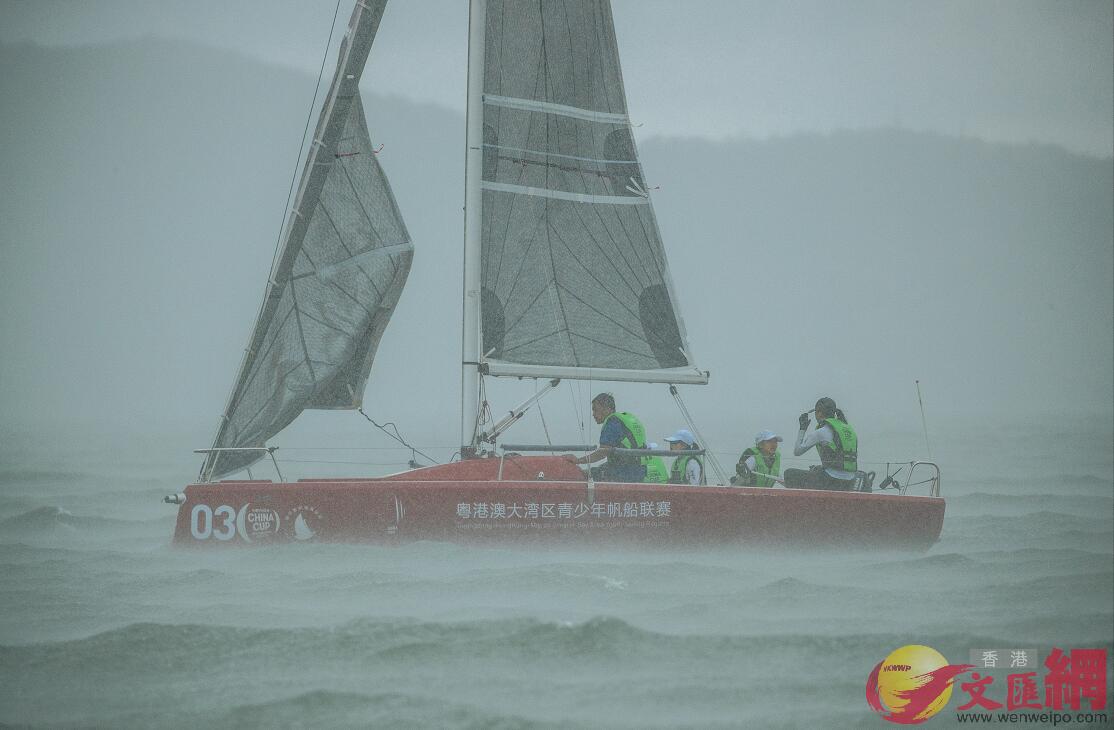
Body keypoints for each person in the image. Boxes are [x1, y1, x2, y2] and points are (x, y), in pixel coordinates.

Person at [563, 393, 647, 483]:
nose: (593, 414)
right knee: (595, 471)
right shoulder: (625, 419)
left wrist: (578, 461)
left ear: (606, 408)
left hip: (624, 473)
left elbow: (603, 452)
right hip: (639, 470)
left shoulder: (612, 423)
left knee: (586, 476)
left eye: (595, 410)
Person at [784, 397, 858, 491]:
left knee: (789, 474)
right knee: (817, 469)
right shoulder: (848, 429)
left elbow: (797, 451)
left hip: (831, 481)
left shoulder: (822, 431)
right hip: (850, 481)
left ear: (819, 413)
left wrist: (802, 428)